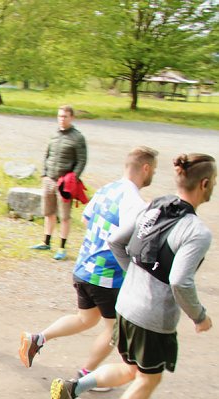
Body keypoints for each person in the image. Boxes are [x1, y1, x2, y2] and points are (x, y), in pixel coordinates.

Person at [46, 153, 215, 399]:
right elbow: (180, 281)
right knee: (149, 379)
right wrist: (199, 316)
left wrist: (135, 276)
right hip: (152, 317)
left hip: (125, 303)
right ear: (204, 183)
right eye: (214, 180)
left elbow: (116, 241)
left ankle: (73, 387)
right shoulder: (196, 231)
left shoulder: (156, 206)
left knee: (130, 369)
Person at [20, 147, 158, 385]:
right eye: (153, 170)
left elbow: (86, 219)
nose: (153, 174)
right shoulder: (135, 202)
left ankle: (37, 339)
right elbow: (131, 240)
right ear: (145, 168)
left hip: (84, 267)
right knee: (115, 329)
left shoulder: (107, 189)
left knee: (86, 319)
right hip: (108, 275)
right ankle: (85, 377)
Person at [30, 104, 88, 261]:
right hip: (49, 179)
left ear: (71, 118)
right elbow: (47, 154)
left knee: (64, 216)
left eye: (65, 116)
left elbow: (82, 160)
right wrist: (44, 174)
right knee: (48, 212)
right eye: (60, 116)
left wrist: (73, 178)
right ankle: (46, 241)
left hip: (65, 182)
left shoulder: (77, 137)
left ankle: (62, 246)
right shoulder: (54, 135)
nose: (62, 119)